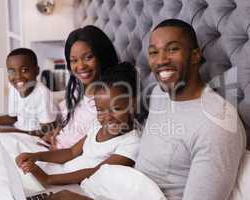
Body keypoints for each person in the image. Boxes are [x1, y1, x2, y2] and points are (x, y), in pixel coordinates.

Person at [45, 19, 247, 200]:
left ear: (195, 55)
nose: (161, 60)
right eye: (153, 52)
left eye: (172, 49)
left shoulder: (216, 123)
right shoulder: (161, 94)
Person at [15, 62, 140, 187]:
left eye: (116, 109)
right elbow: (71, 152)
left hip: (75, 185)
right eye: (100, 110)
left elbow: (98, 172)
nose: (107, 118)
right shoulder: (97, 126)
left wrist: (48, 179)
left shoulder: (132, 141)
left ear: (133, 105)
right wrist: (37, 156)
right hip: (62, 173)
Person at [42, 25, 119, 149]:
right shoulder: (78, 89)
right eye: (74, 60)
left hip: (65, 157)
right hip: (52, 146)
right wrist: (56, 132)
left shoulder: (108, 100)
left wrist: (54, 152)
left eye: (88, 57)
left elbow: (83, 148)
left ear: (102, 56)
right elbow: (71, 121)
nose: (81, 66)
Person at [0, 48, 59, 136]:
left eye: (24, 70)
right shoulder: (15, 89)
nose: (18, 76)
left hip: (33, 138)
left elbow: (48, 130)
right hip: (19, 132)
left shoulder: (43, 95)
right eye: (12, 72)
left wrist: (15, 132)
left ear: (36, 71)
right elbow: (14, 118)